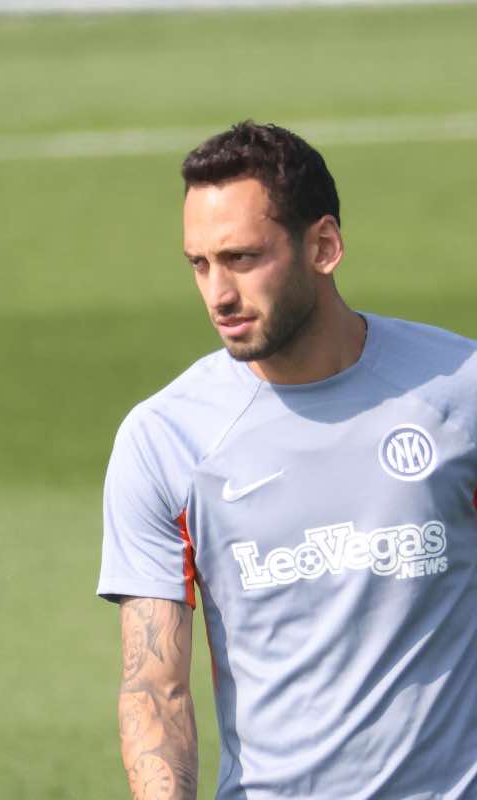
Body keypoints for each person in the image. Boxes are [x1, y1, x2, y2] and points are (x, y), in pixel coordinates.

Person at [97, 121, 477, 799]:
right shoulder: (165, 439)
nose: (218, 294)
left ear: (323, 246)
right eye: (199, 264)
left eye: (242, 258)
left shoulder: (460, 394)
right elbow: (155, 688)